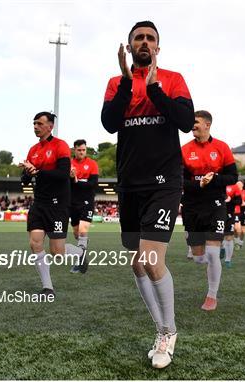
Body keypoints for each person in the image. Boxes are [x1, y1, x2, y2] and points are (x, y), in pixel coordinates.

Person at [101, 21, 194, 369]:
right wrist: (128, 81)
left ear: (158, 46)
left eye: (150, 38)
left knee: (152, 259)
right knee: (137, 262)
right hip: (130, 184)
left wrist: (155, 89)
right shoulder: (117, 83)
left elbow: (184, 120)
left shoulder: (173, 79)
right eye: (138, 38)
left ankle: (168, 332)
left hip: (164, 181)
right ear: (129, 47)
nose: (144, 42)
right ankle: (161, 329)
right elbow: (110, 122)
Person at [181, 110, 238, 308]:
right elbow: (179, 180)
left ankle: (212, 295)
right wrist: (199, 185)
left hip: (215, 205)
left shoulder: (221, 147)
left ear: (207, 124)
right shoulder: (185, 149)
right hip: (192, 206)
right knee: (199, 259)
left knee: (213, 254)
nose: (192, 125)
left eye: (195, 122)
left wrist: (214, 180)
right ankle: (211, 260)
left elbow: (233, 177)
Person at [20, 111, 71, 297]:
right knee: (35, 243)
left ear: (50, 126)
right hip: (39, 203)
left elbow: (63, 174)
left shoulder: (60, 146)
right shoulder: (33, 150)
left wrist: (38, 172)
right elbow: (25, 180)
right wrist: (27, 173)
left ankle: (80, 254)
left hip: (58, 204)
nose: (35, 127)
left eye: (39, 123)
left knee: (57, 252)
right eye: (34, 123)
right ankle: (48, 288)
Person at [68, 139, 99, 274]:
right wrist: (71, 179)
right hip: (72, 202)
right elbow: (65, 184)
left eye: (83, 150)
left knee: (82, 230)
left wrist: (76, 181)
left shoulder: (92, 164)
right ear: (74, 150)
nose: (81, 152)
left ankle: (79, 262)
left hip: (87, 201)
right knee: (76, 233)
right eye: (79, 150)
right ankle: (83, 246)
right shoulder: (69, 164)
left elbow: (93, 184)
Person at [223, 183, 241, 268]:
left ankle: (228, 260)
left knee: (229, 237)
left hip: (229, 215)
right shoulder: (216, 182)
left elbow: (239, 201)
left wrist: (230, 199)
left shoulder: (234, 187)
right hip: (216, 213)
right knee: (216, 237)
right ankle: (221, 250)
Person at [234, 181, 245, 249]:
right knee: (236, 227)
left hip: (243, 212)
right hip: (235, 211)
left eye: (239, 184)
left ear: (242, 185)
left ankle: (241, 241)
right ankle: (236, 239)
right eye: (236, 184)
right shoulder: (234, 192)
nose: (237, 185)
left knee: (243, 229)